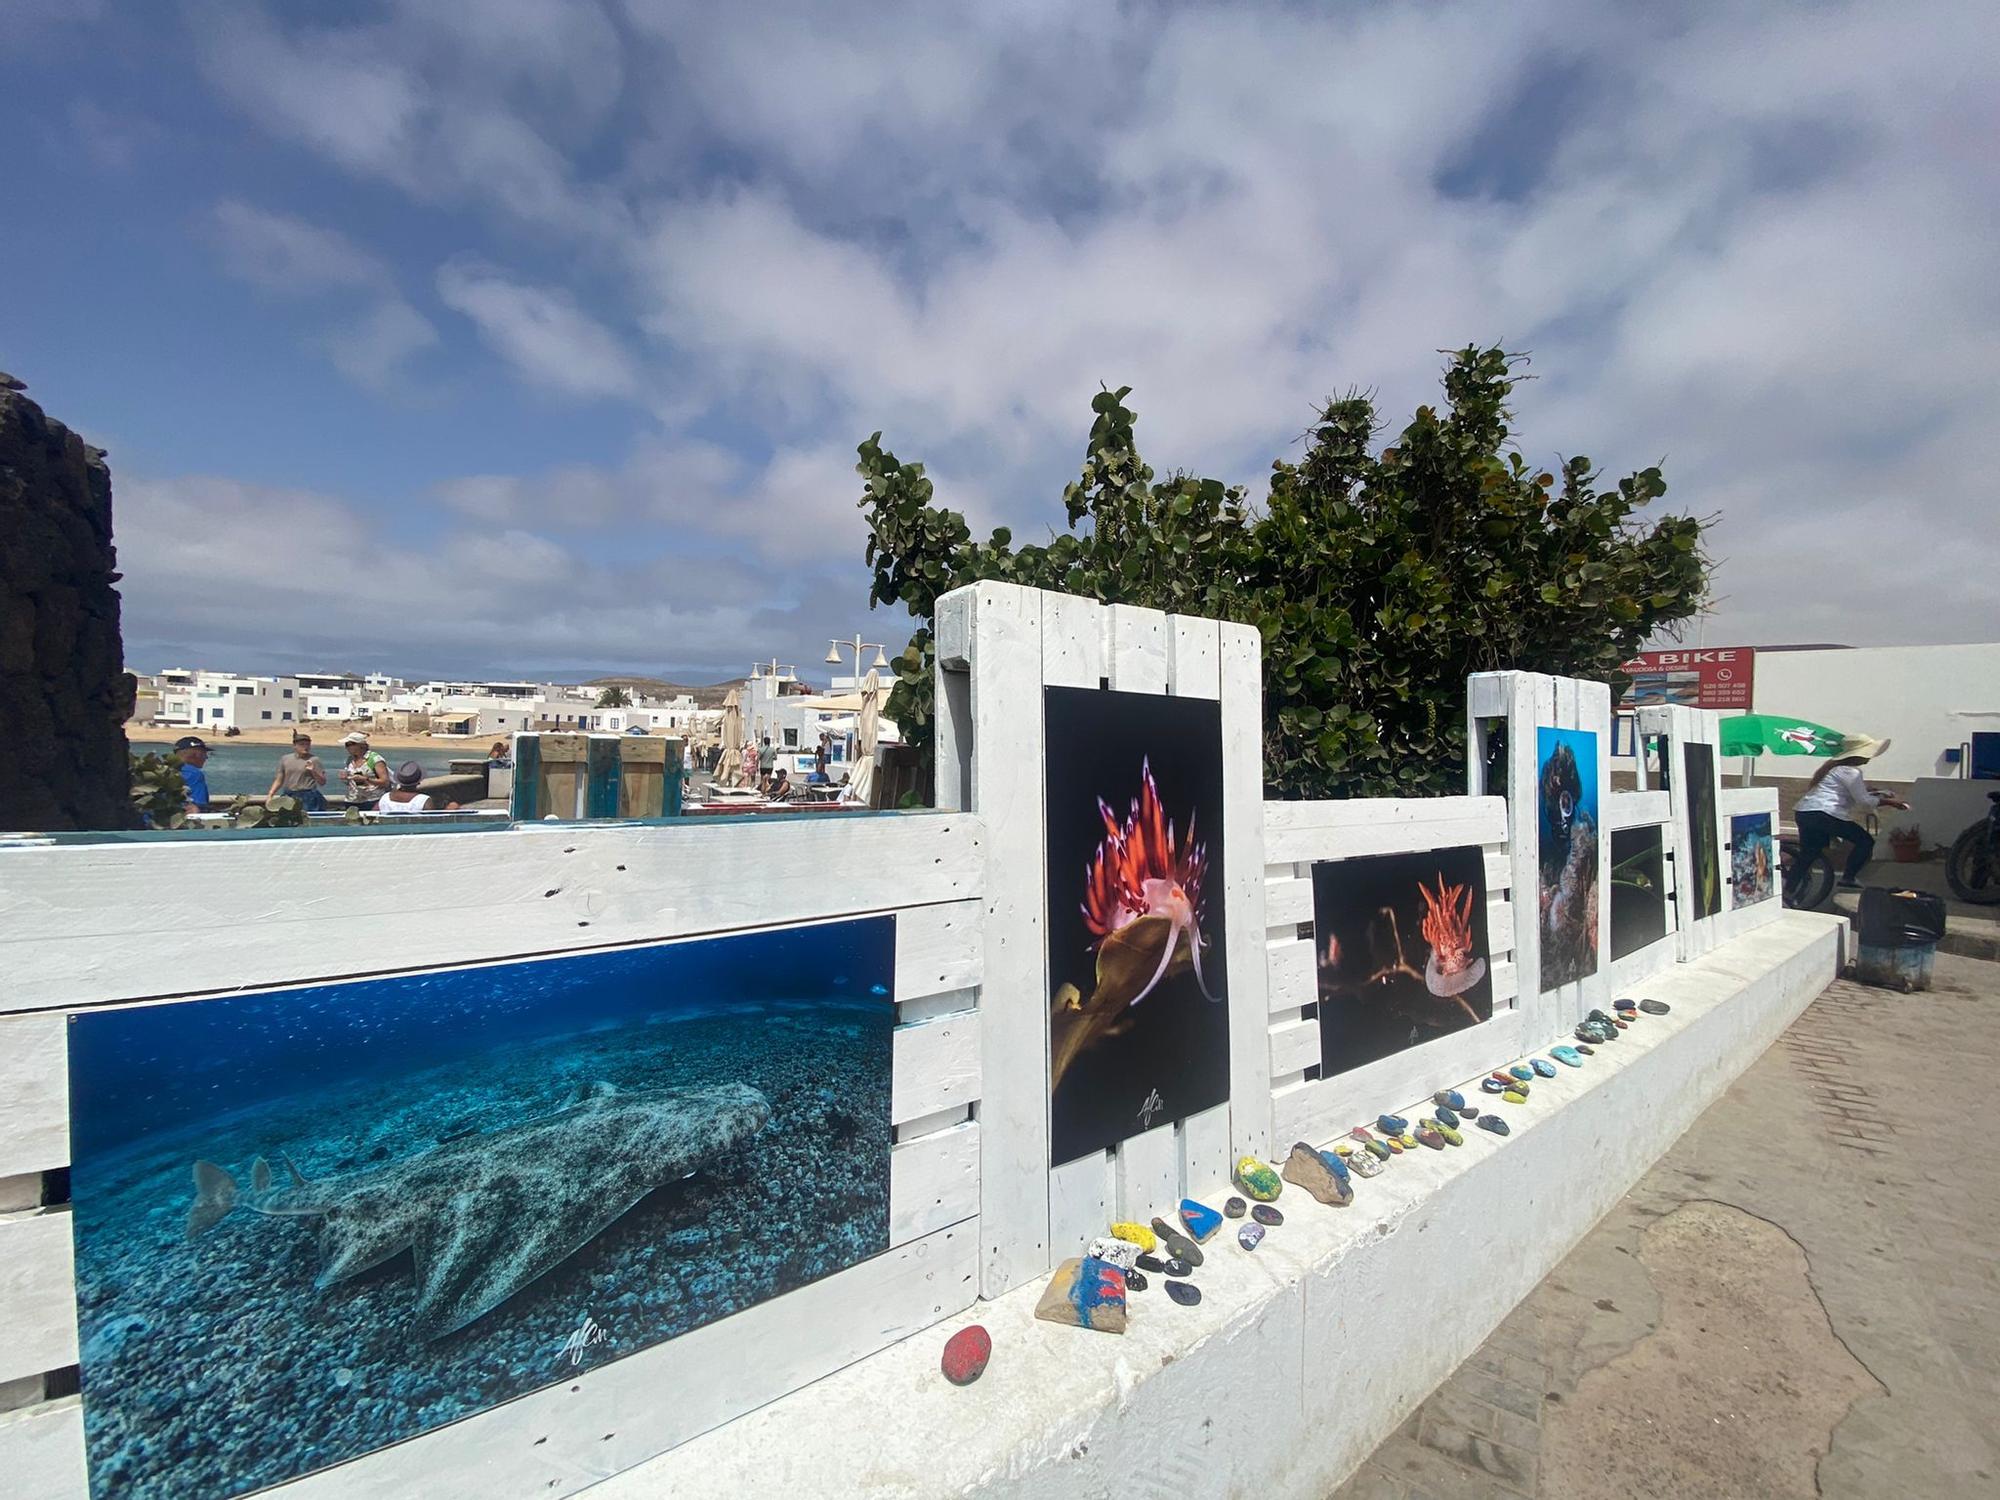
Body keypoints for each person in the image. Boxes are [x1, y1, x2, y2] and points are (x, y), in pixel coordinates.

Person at [1790, 737, 1911, 894]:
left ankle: (1789, 889)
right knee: (1865, 841)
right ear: (1859, 755)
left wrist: (1873, 791)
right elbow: (1864, 801)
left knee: (1809, 854)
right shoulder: (1851, 771)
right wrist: (1891, 803)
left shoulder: (1835, 769)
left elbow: (1848, 792)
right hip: (1825, 813)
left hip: (1805, 812)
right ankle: (1848, 877)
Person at [267, 732, 328, 812]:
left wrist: (313, 771)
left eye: (307, 745)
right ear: (295, 746)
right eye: (302, 745)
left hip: (308, 796)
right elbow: (279, 780)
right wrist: (270, 795)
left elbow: (322, 782)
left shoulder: (314, 760)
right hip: (289, 795)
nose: (305, 747)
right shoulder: (285, 759)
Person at [338, 732, 390, 807]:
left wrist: (366, 779)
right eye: (346, 745)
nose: (347, 747)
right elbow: (350, 782)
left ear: (360, 745)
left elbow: (385, 782)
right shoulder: (350, 759)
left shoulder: (374, 759)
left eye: (349, 744)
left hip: (372, 800)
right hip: (352, 799)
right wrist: (345, 778)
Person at [173, 735, 211, 812]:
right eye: (204, 753)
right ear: (196, 754)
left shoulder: (162, 770)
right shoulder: (194, 774)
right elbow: (198, 807)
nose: (206, 757)